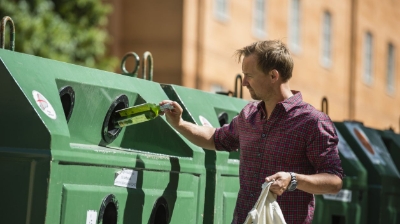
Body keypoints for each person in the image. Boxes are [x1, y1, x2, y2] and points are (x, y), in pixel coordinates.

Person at [160, 40, 343, 224]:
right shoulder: (249, 115)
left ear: (273, 76)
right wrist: (180, 123)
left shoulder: (312, 121)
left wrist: (293, 179)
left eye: (249, 75)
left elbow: (334, 180)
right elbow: (215, 138)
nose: (245, 82)